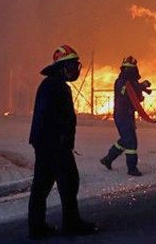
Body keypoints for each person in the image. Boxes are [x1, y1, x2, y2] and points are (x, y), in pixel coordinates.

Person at [28, 45, 98, 239]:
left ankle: (37, 227)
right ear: (63, 66)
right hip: (54, 145)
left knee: (42, 185)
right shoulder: (54, 87)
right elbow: (51, 117)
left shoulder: (52, 85)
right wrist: (60, 140)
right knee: (68, 182)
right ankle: (71, 223)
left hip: (48, 144)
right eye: (73, 65)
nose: (76, 69)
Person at [100, 56, 151, 176]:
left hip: (128, 114)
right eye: (127, 69)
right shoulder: (121, 82)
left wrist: (141, 90)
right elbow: (126, 93)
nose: (129, 71)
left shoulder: (132, 82)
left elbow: (136, 98)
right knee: (131, 142)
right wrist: (140, 86)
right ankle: (132, 168)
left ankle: (108, 159)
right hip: (122, 115)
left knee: (125, 140)